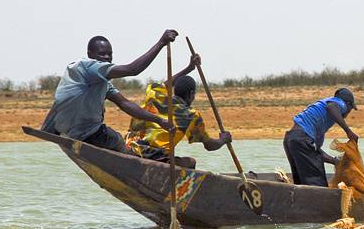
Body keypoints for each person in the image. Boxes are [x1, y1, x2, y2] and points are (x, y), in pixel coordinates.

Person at [41, 31, 178, 152]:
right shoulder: (88, 67)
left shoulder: (102, 82)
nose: (107, 57)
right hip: (87, 133)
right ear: (90, 54)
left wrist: (159, 120)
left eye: (109, 54)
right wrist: (161, 43)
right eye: (102, 54)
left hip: (69, 129)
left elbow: (125, 104)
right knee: (117, 140)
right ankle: (132, 164)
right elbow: (133, 70)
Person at [124, 54, 232, 169]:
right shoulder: (190, 115)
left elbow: (167, 84)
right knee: (191, 162)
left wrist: (189, 68)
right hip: (152, 156)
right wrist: (223, 140)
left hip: (129, 147)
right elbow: (209, 145)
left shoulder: (155, 94)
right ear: (191, 95)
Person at [283, 88, 359, 186]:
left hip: (291, 139)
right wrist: (349, 132)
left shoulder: (319, 123)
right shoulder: (338, 103)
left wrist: (335, 161)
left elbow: (315, 153)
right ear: (348, 104)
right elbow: (331, 107)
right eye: (350, 109)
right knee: (318, 184)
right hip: (301, 138)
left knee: (301, 182)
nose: (348, 113)